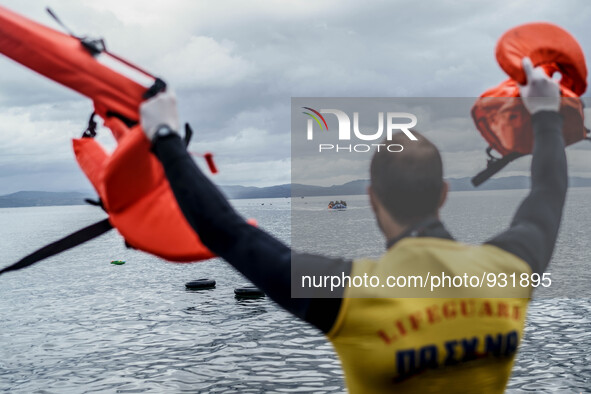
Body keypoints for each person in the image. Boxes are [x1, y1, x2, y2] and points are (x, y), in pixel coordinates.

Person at [139, 57, 566, 393]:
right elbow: (547, 193)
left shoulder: (349, 294)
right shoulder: (509, 269)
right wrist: (546, 112)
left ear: (372, 198)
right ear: (444, 193)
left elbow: (226, 231)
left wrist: (164, 137)